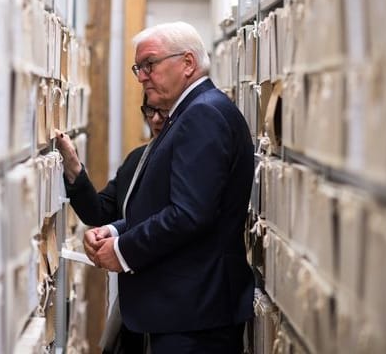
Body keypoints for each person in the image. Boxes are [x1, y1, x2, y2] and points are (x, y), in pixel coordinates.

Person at [83, 21, 256, 353]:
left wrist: (123, 251)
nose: (142, 77)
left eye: (150, 64)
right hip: (186, 313)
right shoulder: (190, 113)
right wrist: (116, 232)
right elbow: (169, 203)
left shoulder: (202, 115)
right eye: (138, 68)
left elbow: (189, 214)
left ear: (188, 63)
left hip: (195, 317)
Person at [55, 97, 168, 354]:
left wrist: (119, 240)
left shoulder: (184, 162)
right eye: (150, 111)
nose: (156, 119)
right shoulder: (138, 160)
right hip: (134, 307)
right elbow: (100, 211)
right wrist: (72, 165)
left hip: (170, 306)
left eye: (164, 111)